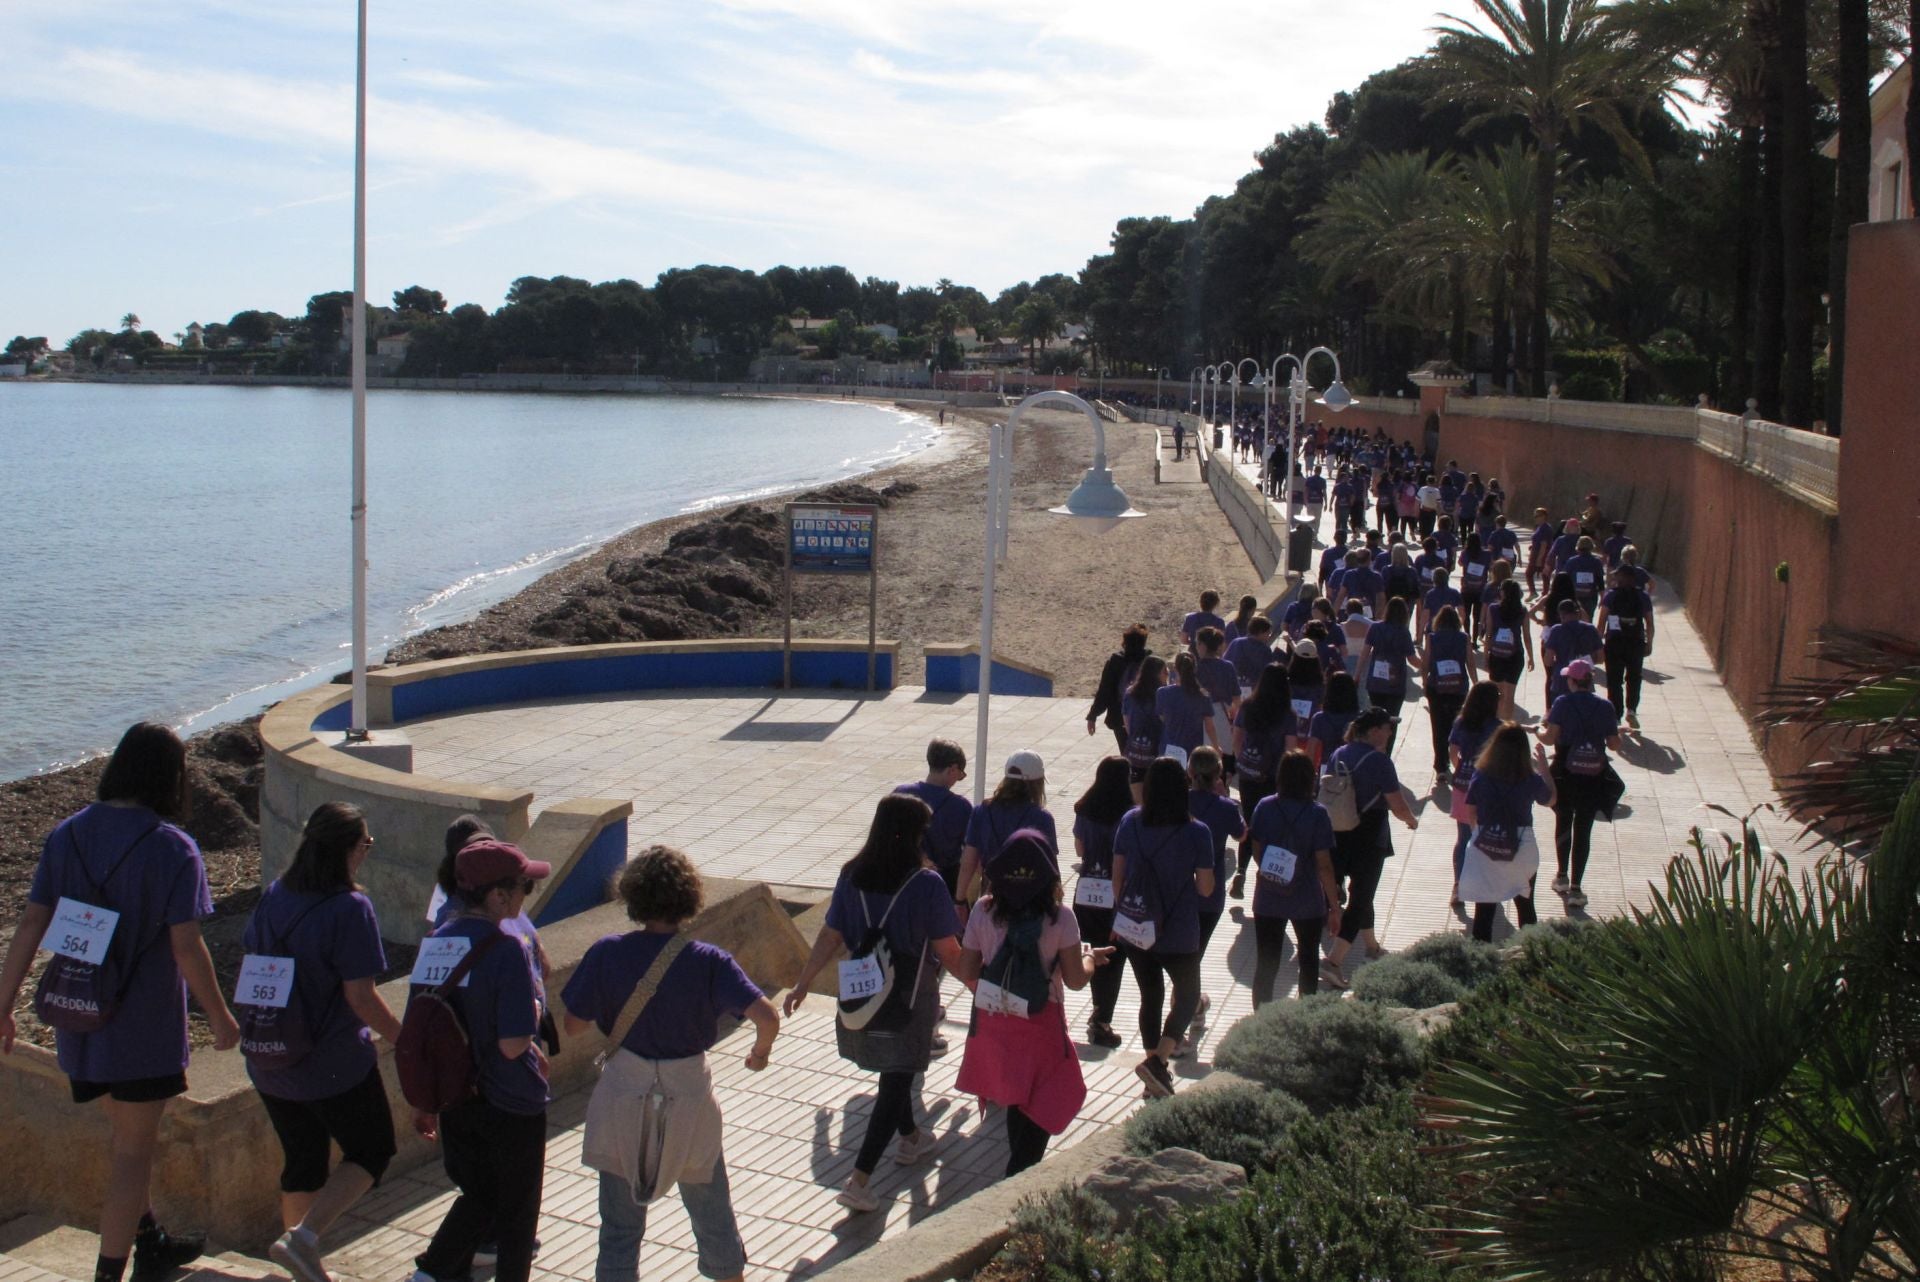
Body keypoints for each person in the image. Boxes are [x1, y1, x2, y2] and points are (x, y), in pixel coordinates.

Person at [0, 722, 236, 1282]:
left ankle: (152, 1240)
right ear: (171, 778)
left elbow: (32, 922)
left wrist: (4, 1004)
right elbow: (186, 945)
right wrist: (222, 1017)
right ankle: (111, 1272)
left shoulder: (68, 834)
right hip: (142, 1026)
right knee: (133, 1153)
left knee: (126, 1135)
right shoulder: (173, 847)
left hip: (77, 1017)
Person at [563, 845, 780, 1282]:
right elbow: (767, 1017)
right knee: (712, 1216)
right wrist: (760, 1053)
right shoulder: (709, 961)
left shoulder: (606, 953)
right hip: (689, 1101)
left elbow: (572, 1026)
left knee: (620, 1230)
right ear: (689, 897)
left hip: (624, 1094)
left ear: (632, 897)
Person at [242, 803, 400, 1282]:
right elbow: (361, 997)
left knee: (303, 1160)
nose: (366, 854)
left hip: (270, 1057)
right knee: (372, 1150)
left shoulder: (275, 895)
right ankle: (302, 1240)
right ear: (349, 850)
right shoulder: (350, 907)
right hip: (331, 1062)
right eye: (366, 845)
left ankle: (300, 1266)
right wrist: (405, 1039)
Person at [785, 795, 965, 1213]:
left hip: (860, 993)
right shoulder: (927, 884)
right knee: (898, 1077)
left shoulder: (852, 875)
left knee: (892, 1071)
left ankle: (911, 1139)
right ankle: (860, 1179)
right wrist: (983, 989)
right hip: (909, 997)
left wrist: (803, 983)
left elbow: (830, 935)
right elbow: (949, 951)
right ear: (915, 835)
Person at [410, 839, 553, 1282]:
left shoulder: (434, 942)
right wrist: (530, 1026)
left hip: (457, 1097)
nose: (525, 895)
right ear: (497, 895)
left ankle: (434, 1272)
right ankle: (437, 1271)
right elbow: (512, 1044)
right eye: (523, 886)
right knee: (516, 1217)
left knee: (479, 1194)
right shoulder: (506, 949)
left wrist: (423, 1102)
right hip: (510, 1101)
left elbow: (422, 1028)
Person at [954, 830, 1108, 1176]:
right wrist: (1088, 958)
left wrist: (1000, 990)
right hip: (1042, 1029)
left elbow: (966, 969)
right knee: (1047, 1099)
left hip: (995, 1024)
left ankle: (1015, 1177)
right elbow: (1075, 981)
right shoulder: (1060, 917)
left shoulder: (983, 910)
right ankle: (1013, 1187)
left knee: (1016, 1098)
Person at [1109, 758, 1215, 1099]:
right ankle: (1158, 1062)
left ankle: (1154, 1069)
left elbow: (1117, 878)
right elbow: (1206, 888)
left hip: (1138, 926)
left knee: (1149, 997)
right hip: (1179, 928)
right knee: (1187, 997)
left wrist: (1127, 913)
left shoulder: (1130, 822)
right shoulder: (1198, 831)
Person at [1321, 709, 1419, 982]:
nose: (1390, 732)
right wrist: (1412, 821)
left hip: (1339, 831)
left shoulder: (1339, 753)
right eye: (1387, 727)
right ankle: (1334, 961)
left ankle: (1372, 947)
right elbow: (1397, 804)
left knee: (1361, 893)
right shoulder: (1380, 761)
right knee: (1362, 895)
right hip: (1369, 834)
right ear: (1374, 731)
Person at [1245, 751, 1341, 1004]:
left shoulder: (1265, 806)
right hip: (1307, 898)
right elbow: (1324, 865)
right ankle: (1305, 1014)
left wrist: (1274, 871)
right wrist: (1334, 906)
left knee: (1267, 963)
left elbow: (1256, 849)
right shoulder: (1317, 813)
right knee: (1308, 959)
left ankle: (1261, 1019)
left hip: (1268, 896)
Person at [1458, 725, 1556, 943]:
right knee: (1525, 903)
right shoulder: (1530, 779)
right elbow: (1550, 799)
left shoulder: (1481, 776)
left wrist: (1484, 835)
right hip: (1522, 845)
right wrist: (1544, 768)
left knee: (1484, 909)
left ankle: (1481, 962)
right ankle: (1531, 956)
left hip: (1487, 843)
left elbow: (1471, 811)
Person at [1539, 659, 1623, 912]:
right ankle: (1576, 887)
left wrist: (1538, 732)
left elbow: (1550, 737)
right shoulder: (1605, 706)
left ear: (1573, 681)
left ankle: (1562, 875)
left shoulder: (1563, 703)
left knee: (1563, 820)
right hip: (1593, 774)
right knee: (1584, 828)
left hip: (1566, 771)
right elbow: (1614, 744)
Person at [1069, 758, 1134, 1048]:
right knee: (1114, 957)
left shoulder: (1084, 809)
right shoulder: (1130, 815)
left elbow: (1080, 848)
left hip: (1086, 890)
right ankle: (1102, 1018)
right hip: (1116, 894)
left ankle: (1097, 1010)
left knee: (1090, 948)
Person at [956, 751, 1057, 921]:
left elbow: (968, 862)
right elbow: (1051, 868)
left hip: (992, 896)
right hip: (1032, 899)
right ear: (1037, 783)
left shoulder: (982, 812)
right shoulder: (1042, 818)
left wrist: (959, 901)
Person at [1185, 747, 1245, 1018]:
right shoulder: (1226, 807)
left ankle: (1192, 1003)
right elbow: (1242, 835)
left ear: (1190, 771)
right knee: (1193, 953)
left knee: (1187, 953)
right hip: (1211, 893)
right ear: (1218, 774)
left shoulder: (1178, 801)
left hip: (1178, 889)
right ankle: (1189, 1007)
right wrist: (1224, 797)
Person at [1228, 663, 1297, 899]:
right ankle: (1267, 873)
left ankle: (1240, 870)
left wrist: (1244, 762)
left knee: (1248, 821)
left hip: (1249, 774)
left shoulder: (1248, 707)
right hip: (1274, 777)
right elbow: (1290, 749)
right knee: (1272, 825)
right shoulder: (1287, 715)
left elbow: (1236, 740)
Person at [1446, 682, 1505, 909]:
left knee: (1463, 838)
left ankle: (1458, 886)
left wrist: (1463, 770)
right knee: (1486, 838)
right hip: (1489, 790)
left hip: (1463, 786)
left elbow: (1452, 752)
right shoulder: (1499, 727)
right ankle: (1485, 884)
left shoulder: (1461, 722)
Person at [893, 739, 973, 897]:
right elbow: (970, 852)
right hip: (944, 883)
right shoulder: (961, 807)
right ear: (952, 769)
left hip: (903, 878)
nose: (958, 779)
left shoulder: (901, 794)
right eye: (960, 775)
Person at [1418, 605, 1477, 781]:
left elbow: (1426, 661)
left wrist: (1423, 680)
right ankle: (1456, 758)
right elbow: (1470, 662)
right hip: (1458, 686)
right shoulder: (1464, 638)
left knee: (1438, 726)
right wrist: (1475, 682)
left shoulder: (1432, 638)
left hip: (1436, 686)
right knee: (1455, 724)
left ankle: (1441, 766)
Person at [1593, 566, 1654, 730]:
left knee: (1614, 680)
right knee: (1634, 677)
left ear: (1623, 578)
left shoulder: (1611, 596)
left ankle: (1616, 715)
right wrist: (1649, 643)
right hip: (1636, 641)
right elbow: (1649, 622)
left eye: (1617, 576)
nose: (1614, 578)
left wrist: (1598, 646)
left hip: (1614, 642)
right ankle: (1632, 710)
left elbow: (1601, 622)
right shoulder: (1642, 596)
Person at [1087, 624, 1152, 755]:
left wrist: (1093, 716)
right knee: (1146, 753)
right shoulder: (1150, 660)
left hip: (1119, 715)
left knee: (1125, 751)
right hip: (1145, 715)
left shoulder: (1115, 661)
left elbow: (1104, 691)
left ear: (1124, 642)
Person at [1357, 597, 1417, 733]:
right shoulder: (1403, 632)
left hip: (1375, 681)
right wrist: (1426, 665)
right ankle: (1386, 749)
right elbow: (1412, 659)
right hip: (1395, 684)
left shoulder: (1375, 627)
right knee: (1391, 719)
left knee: (1376, 719)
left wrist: (1357, 674)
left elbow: (1364, 653)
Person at [1481, 580, 1534, 722]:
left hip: (1497, 654)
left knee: (1496, 694)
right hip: (1515, 655)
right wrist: (1531, 657)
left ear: (1503, 592)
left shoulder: (1493, 609)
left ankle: (1495, 722)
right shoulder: (1522, 610)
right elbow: (1527, 636)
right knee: (1510, 695)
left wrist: (1486, 655)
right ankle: (1507, 724)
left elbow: (1489, 634)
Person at [1154, 652, 1215, 760]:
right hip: (1193, 751)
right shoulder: (1203, 696)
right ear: (1195, 669)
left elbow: (1163, 718)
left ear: (1175, 668)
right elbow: (1209, 727)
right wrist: (1216, 746)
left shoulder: (1162, 692)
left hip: (1168, 747)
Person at [1306, 669, 1360, 768]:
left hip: (1326, 767)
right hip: (1351, 769)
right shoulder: (1358, 719)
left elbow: (1311, 752)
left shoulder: (1319, 718)